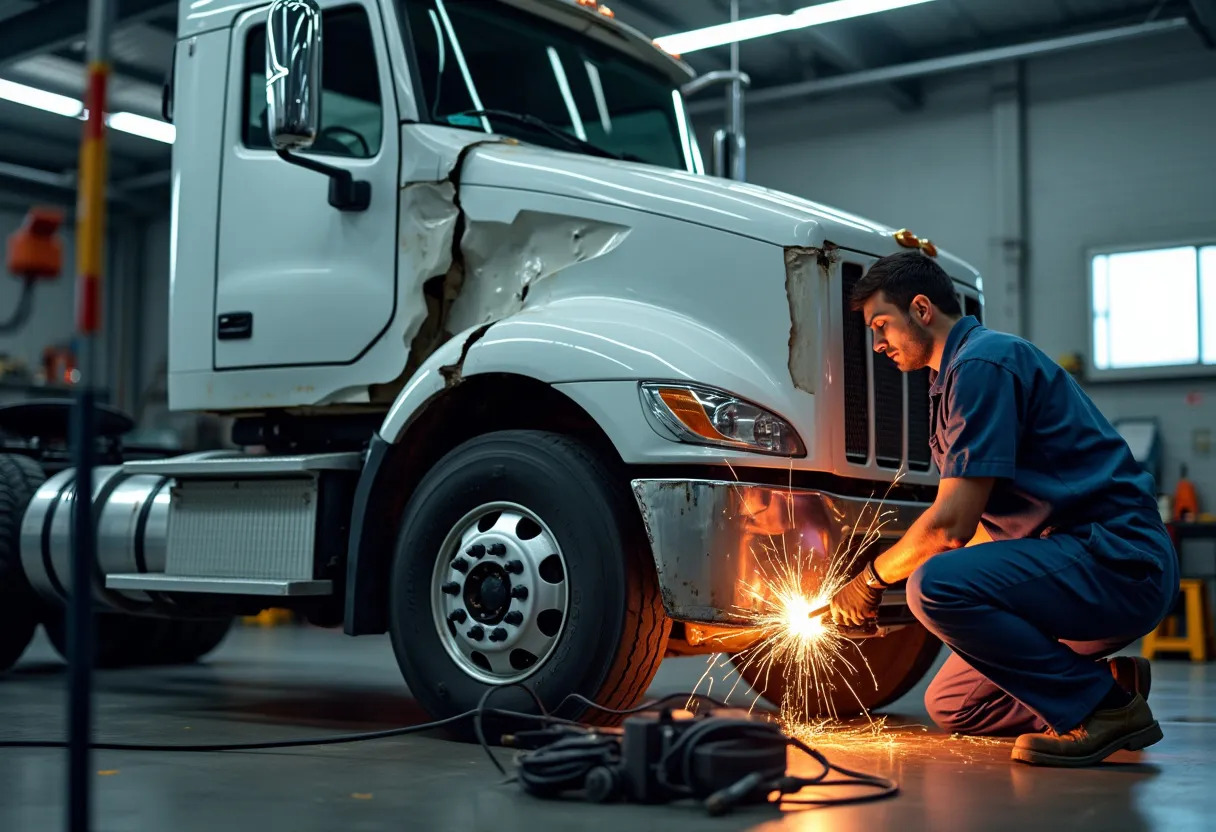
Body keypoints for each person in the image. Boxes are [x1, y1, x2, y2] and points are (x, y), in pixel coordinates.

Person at [829, 250, 1179, 767]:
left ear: (922, 309)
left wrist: (871, 579)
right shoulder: (950, 379)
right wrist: (894, 602)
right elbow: (978, 537)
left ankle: (1104, 710)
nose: (878, 343)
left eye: (882, 325)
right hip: (1066, 562)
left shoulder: (982, 365)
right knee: (955, 706)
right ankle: (1113, 688)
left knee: (937, 585)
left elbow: (950, 527)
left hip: (1115, 562)